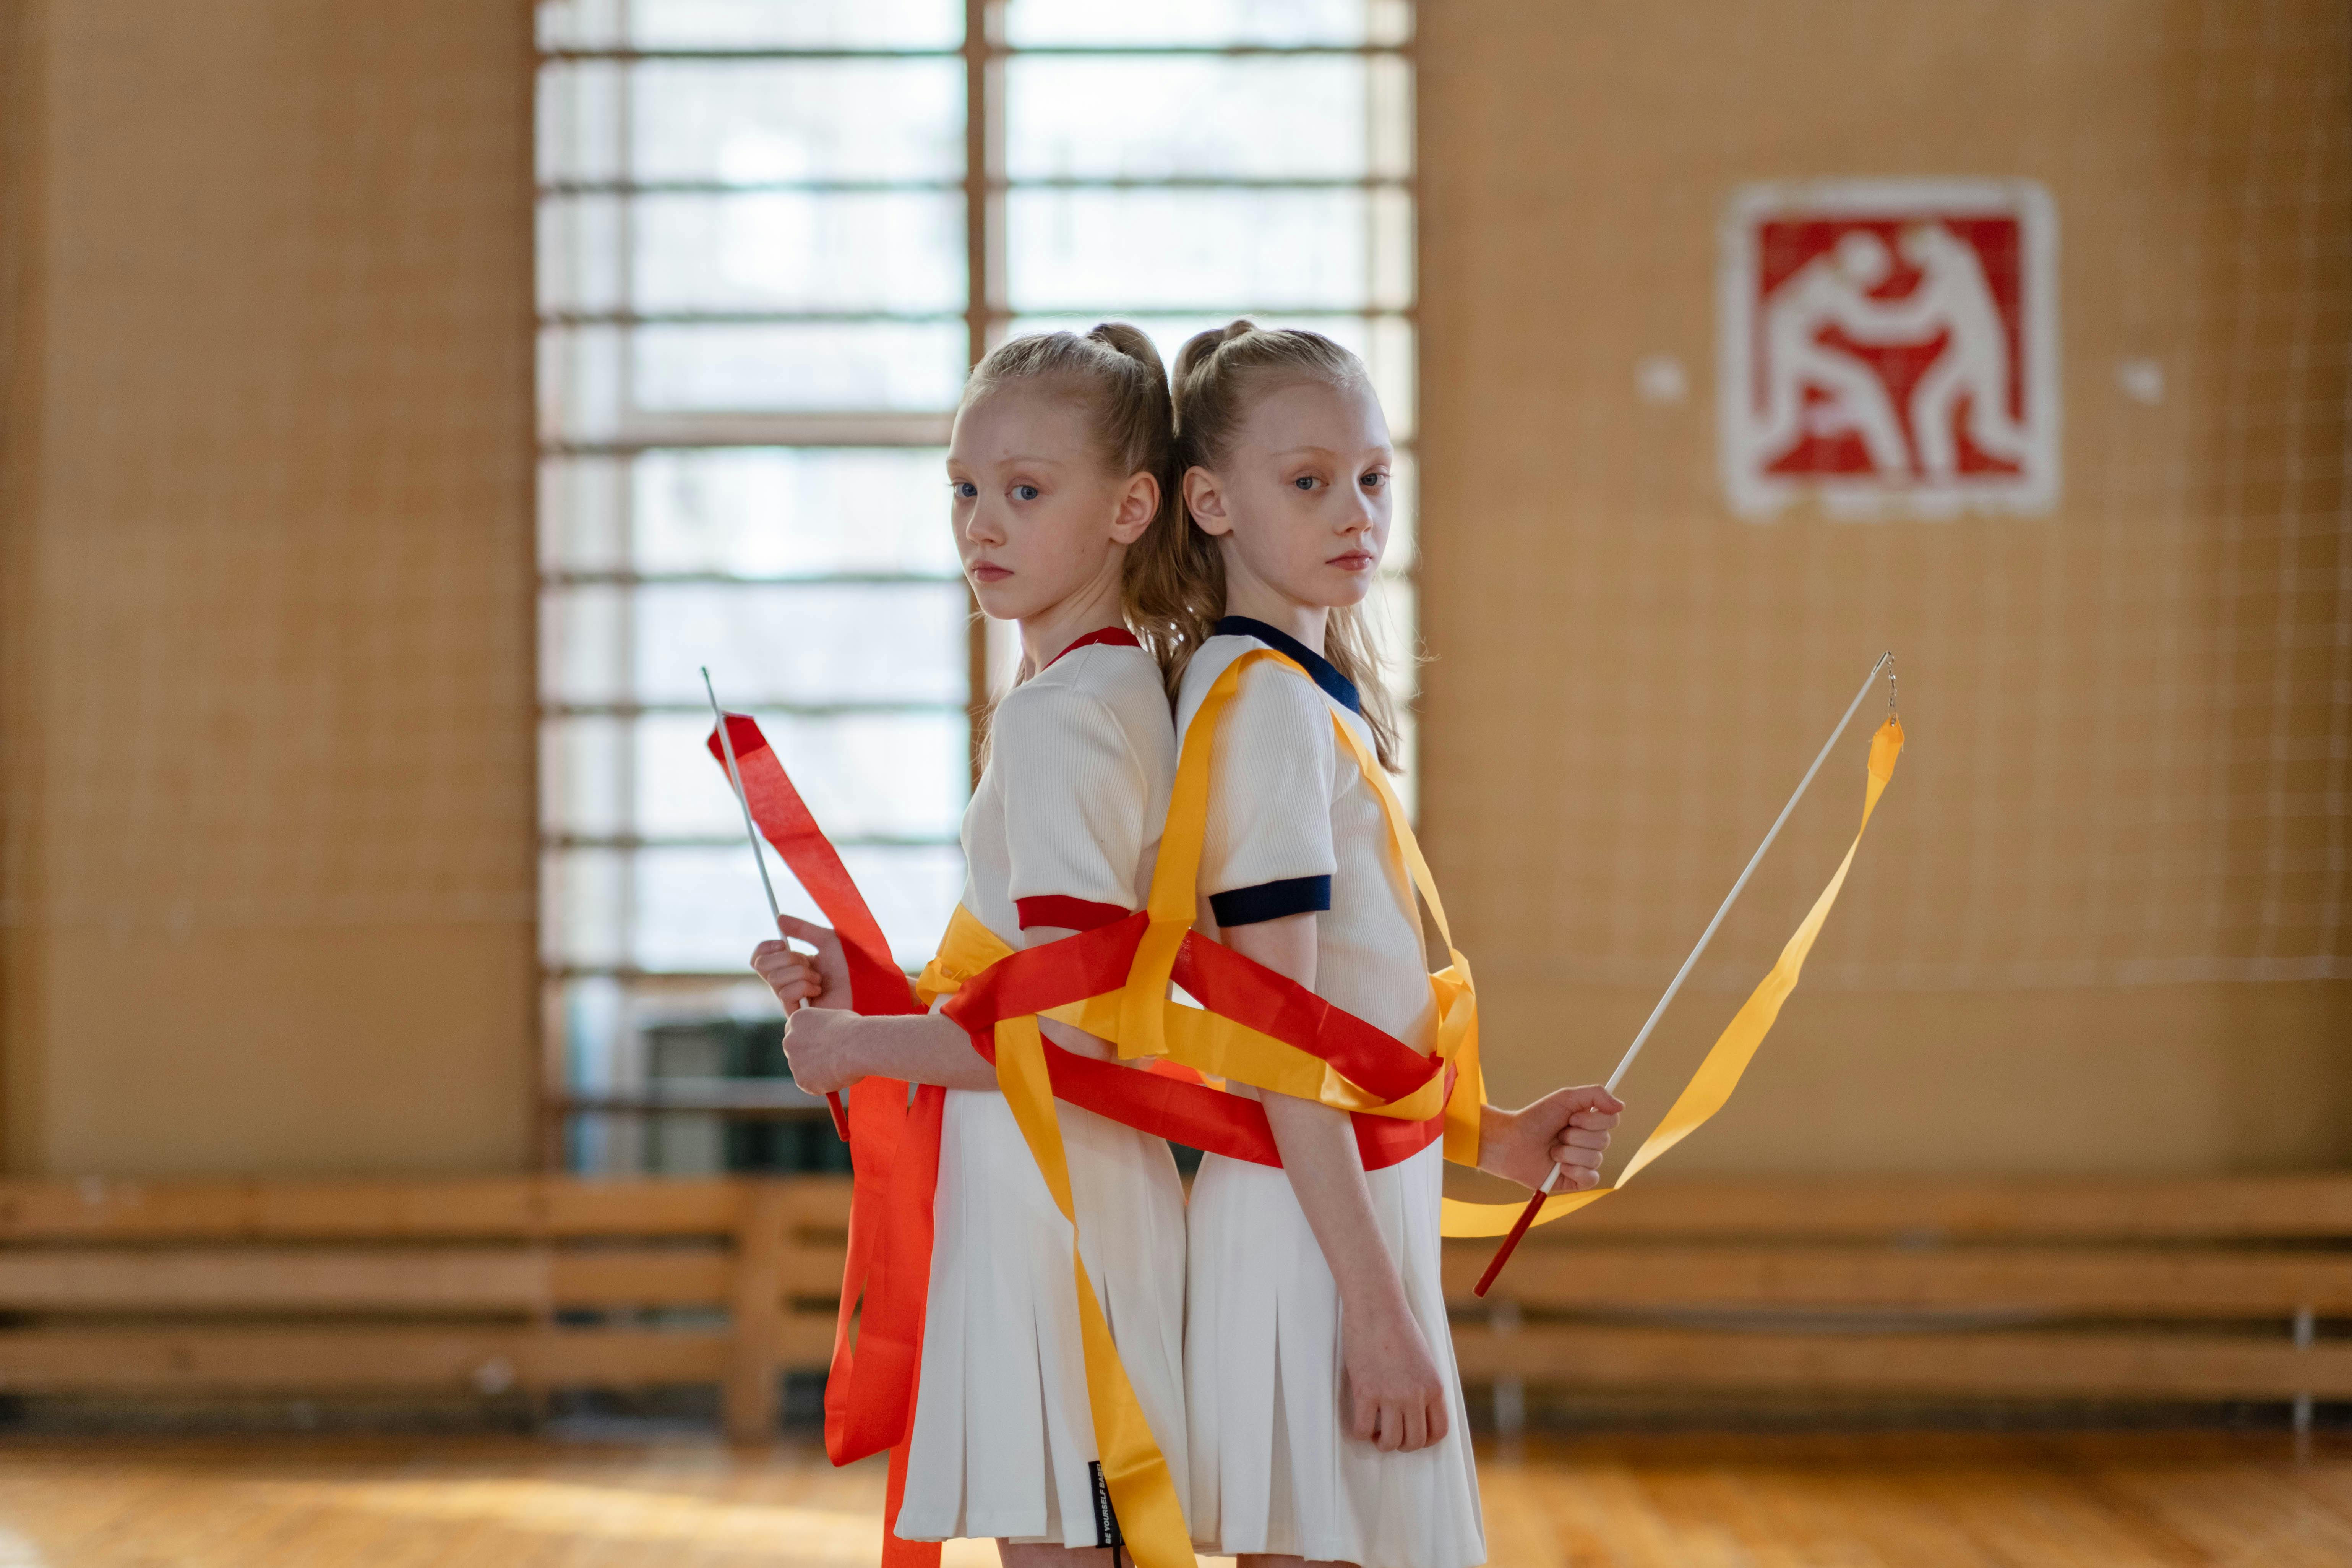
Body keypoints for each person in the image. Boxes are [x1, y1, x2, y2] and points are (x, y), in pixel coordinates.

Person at [1137, 321, 1623, 1568]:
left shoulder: (1291, 693)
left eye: (1372, 476)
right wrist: (1373, 1309)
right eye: (1309, 482)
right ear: (1209, 500)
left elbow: (1342, 1027)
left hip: (1339, 1210)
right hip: (1312, 1237)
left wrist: (1496, 1135)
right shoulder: (1262, 711)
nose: (1356, 510)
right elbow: (1276, 1043)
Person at [751, 325, 1187, 1564]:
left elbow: (1061, 1031)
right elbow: (1026, 979)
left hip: (1054, 1202)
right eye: (963, 488)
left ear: (1131, 507)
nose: (979, 524)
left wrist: (850, 1041)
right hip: (1058, 1191)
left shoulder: (1065, 719)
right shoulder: (1108, 692)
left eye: (1025, 491)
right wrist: (865, 996)